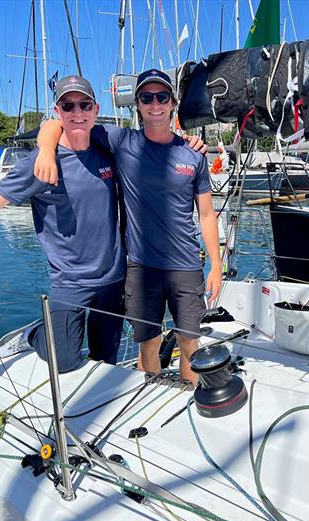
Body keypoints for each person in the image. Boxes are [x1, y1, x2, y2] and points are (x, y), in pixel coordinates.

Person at [0, 75, 126, 372]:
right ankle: (34, 334)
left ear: (96, 109)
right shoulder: (40, 163)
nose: (77, 112)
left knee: (105, 364)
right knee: (65, 363)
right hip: (70, 282)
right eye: (68, 106)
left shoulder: (107, 146)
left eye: (84, 104)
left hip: (112, 278)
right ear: (58, 111)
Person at [34, 69, 221, 386]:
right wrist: (45, 151)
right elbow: (59, 123)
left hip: (186, 265)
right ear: (137, 104)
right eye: (147, 98)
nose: (155, 104)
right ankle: (149, 399)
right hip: (140, 266)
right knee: (148, 343)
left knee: (189, 342)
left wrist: (216, 265)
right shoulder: (121, 141)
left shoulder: (193, 153)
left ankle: (188, 393)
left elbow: (205, 214)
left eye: (162, 97)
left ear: (173, 103)